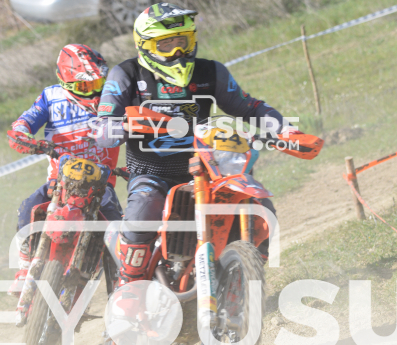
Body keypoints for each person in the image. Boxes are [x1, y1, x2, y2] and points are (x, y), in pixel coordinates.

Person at [96, 3, 288, 283]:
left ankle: (244, 279)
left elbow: (248, 106)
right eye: (166, 44)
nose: (177, 51)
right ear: (145, 45)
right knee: (143, 215)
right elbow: (102, 128)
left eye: (182, 41)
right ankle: (130, 284)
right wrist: (124, 125)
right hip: (152, 173)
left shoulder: (210, 72)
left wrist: (284, 129)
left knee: (261, 208)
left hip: (210, 169)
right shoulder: (126, 74)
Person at [8, 44, 123, 294]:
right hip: (60, 182)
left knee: (120, 233)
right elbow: (24, 122)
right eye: (84, 86)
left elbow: (138, 125)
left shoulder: (116, 98)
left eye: (97, 83)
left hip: (101, 185)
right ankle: (25, 268)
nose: (93, 92)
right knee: (28, 209)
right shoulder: (51, 97)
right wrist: (23, 135)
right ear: (65, 81)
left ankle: (120, 290)